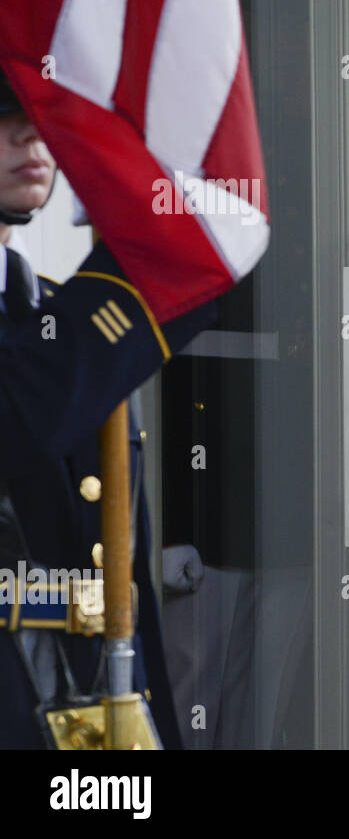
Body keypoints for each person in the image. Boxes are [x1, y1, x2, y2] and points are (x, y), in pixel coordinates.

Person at [0, 69, 216, 748]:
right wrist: (163, 248)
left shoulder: (53, 312)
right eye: (3, 115)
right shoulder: (75, 331)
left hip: (79, 713)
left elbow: (116, 583)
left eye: (40, 109)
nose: (31, 130)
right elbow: (28, 415)